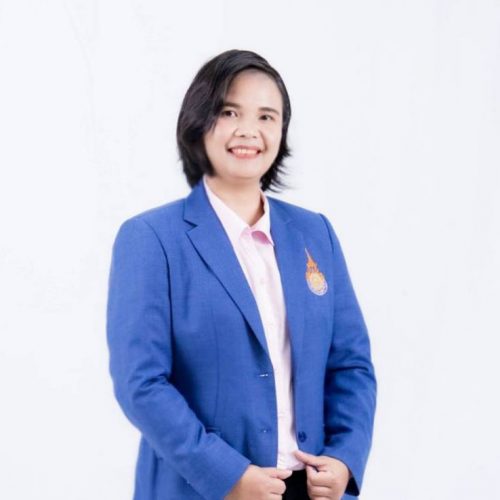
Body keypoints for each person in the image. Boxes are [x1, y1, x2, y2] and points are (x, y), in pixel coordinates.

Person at [106, 49, 376, 500]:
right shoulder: (151, 239)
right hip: (203, 489)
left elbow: (351, 364)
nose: (249, 130)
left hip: (310, 490)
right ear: (198, 122)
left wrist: (345, 458)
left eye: (267, 116)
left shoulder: (315, 233)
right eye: (230, 112)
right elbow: (142, 383)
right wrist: (228, 475)